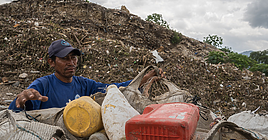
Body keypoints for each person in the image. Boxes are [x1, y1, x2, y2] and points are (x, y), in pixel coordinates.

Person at [8, 39, 163, 111]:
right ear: (51, 62)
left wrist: (145, 78)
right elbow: (21, 106)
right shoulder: (43, 85)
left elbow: (113, 89)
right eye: (64, 58)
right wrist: (23, 101)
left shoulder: (84, 85)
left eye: (73, 58)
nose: (71, 62)